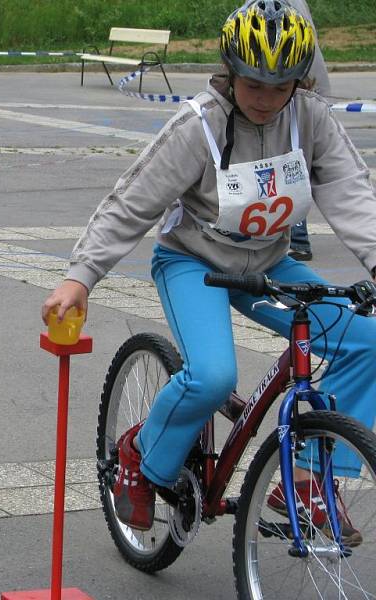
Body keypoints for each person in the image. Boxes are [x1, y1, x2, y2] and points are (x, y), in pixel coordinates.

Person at [42, 0, 376, 539]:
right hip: (192, 261)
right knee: (214, 375)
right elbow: (134, 202)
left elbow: (349, 191)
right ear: (230, 71)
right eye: (253, 85)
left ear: (301, 81)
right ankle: (140, 453)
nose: (266, 100)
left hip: (268, 264)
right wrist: (80, 274)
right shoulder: (197, 125)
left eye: (281, 86)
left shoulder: (310, 118)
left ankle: (314, 481)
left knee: (367, 340)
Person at [288, 0, 330, 261]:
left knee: (293, 165)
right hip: (302, 87)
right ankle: (296, 237)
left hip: (299, 89)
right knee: (294, 165)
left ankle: (299, 237)